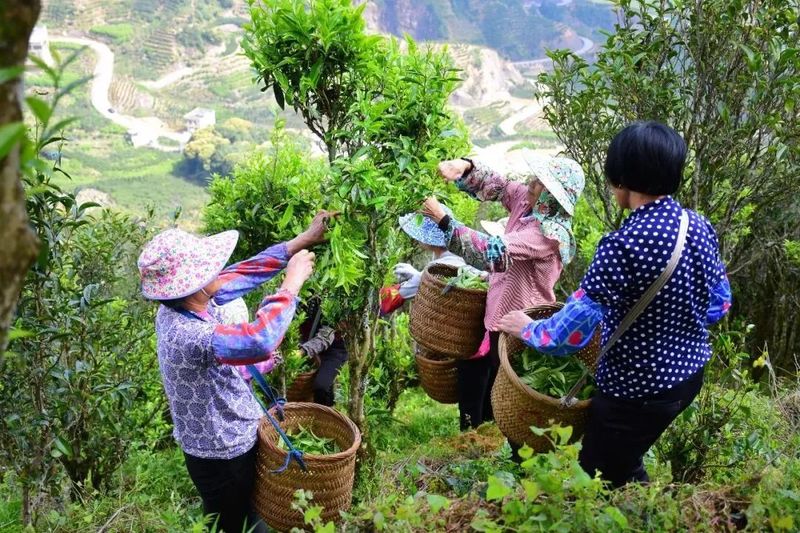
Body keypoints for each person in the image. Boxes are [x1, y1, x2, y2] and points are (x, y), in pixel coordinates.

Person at [498, 121, 732, 487]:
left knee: (600, 474)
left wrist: (524, 328)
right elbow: (719, 304)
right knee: (621, 460)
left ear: (621, 179)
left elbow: (568, 337)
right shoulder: (697, 225)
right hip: (688, 376)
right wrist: (670, 322)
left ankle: (654, 516)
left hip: (636, 389)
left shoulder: (621, 245)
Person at [137, 211, 333, 532]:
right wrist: (292, 284)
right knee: (231, 522)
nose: (218, 270)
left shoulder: (191, 301)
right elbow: (260, 339)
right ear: (194, 285)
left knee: (243, 514)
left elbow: (245, 272)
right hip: (221, 454)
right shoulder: (187, 334)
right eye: (208, 268)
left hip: (233, 438)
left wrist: (303, 240)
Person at [421, 155, 585, 431]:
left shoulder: (547, 235)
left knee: (511, 392)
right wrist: (466, 166)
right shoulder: (527, 204)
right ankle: (497, 442)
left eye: (540, 183)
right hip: (500, 318)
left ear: (551, 196)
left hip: (522, 327)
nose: (531, 184)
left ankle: (515, 450)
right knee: (492, 381)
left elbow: (490, 251)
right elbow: (499, 185)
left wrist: (443, 219)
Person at [379, 208, 489, 430]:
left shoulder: (436, 268)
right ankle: (487, 444)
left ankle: (472, 449)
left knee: (470, 402)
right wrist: (417, 275)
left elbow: (392, 300)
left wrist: (379, 291)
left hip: (465, 345)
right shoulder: (467, 257)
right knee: (484, 398)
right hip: (486, 340)